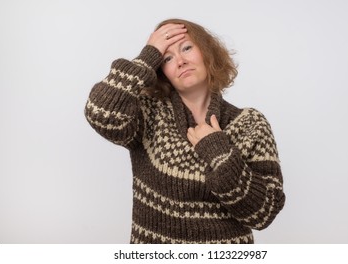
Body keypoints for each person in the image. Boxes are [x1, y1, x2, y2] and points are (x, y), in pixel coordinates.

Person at [84, 18, 285, 244]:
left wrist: (219, 152)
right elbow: (100, 112)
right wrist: (148, 55)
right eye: (167, 58)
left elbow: (264, 213)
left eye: (187, 48)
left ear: (207, 53)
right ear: (161, 71)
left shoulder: (251, 123)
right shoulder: (148, 113)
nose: (180, 61)